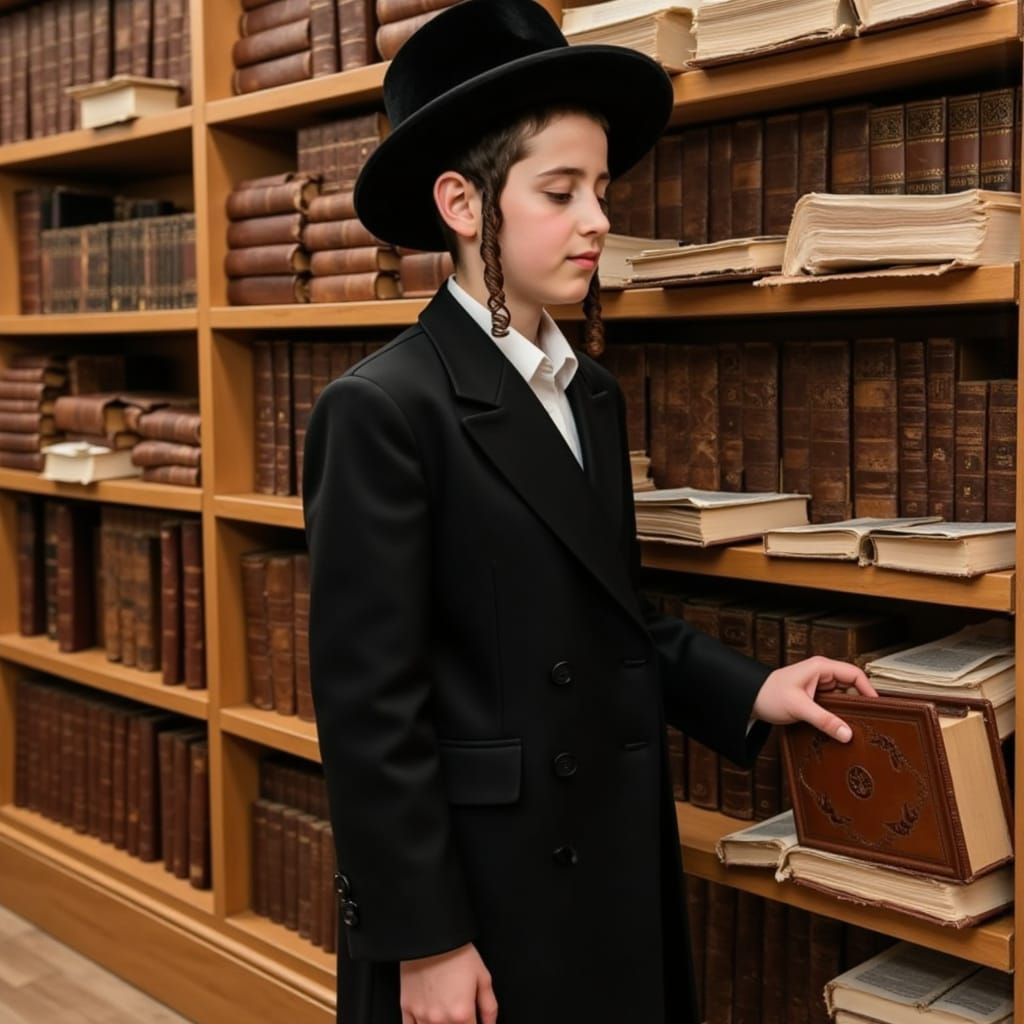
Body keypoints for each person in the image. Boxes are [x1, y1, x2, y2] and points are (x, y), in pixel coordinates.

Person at [301, 3, 878, 1023]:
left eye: (600, 189)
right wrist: (423, 937)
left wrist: (752, 692)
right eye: (559, 191)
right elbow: (367, 711)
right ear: (462, 204)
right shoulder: (383, 408)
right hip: (478, 894)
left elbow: (610, 623)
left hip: (605, 856)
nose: (598, 220)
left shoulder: (591, 395)